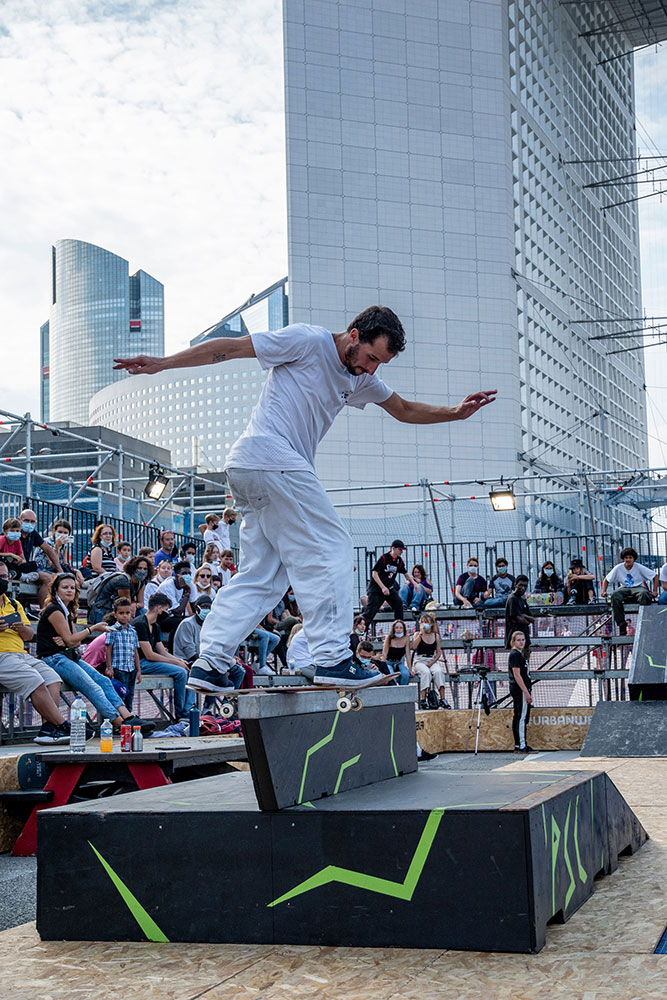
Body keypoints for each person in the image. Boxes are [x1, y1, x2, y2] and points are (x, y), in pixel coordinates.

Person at [115, 305, 495, 690]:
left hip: (252, 470)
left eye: (381, 363)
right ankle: (332, 657)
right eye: (371, 357)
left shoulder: (359, 378)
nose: (371, 369)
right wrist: (163, 363)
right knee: (331, 546)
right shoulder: (308, 341)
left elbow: (404, 409)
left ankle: (210, 662)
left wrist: (455, 412)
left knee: (265, 575)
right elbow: (232, 348)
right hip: (271, 457)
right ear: (353, 335)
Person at [36, 573, 154, 734]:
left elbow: (74, 641)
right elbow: (72, 640)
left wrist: (67, 640)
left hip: (68, 656)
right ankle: (120, 723)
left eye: (72, 587)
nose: (69, 590)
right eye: (65, 587)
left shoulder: (67, 611)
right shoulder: (54, 610)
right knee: (93, 687)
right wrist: (92, 629)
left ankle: (128, 717)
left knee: (103, 681)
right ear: (56, 590)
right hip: (54, 658)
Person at [0, 560, 69, 744]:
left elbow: (30, 635)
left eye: (5, 576)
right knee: (35, 679)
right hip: (1, 656)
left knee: (52, 677)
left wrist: (20, 628)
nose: (3, 580)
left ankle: (48, 729)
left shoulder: (13, 604)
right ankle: (62, 725)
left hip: (19, 654)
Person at [132, 593, 195, 718]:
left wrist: (180, 660)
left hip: (149, 662)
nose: (167, 613)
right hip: (140, 663)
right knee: (180, 672)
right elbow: (149, 655)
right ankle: (181, 713)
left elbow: (162, 651)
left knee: (189, 668)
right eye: (166, 610)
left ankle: (189, 709)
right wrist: (176, 663)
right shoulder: (140, 624)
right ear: (159, 608)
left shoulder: (155, 626)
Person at [601, 547, 657, 635]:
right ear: (623, 559)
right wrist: (603, 591)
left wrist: (654, 591)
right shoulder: (618, 568)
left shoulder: (638, 567)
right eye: (626, 558)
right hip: (625, 588)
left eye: (630, 558)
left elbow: (654, 576)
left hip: (638, 587)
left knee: (644, 593)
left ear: (633, 559)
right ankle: (622, 624)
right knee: (614, 595)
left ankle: (644, 621)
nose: (628, 560)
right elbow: (606, 580)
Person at [17, 509, 63, 604]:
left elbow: (48, 549)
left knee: (56, 579)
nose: (29, 523)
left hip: (25, 567)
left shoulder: (32, 533)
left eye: (32, 521)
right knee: (48, 577)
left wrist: (60, 570)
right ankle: (44, 612)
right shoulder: (12, 532)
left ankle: (47, 611)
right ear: (19, 520)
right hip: (11, 567)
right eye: (26, 520)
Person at [363, 541, 412, 626]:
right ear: (393, 548)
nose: (401, 552)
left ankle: (399, 627)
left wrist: (414, 584)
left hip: (388, 589)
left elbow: (405, 573)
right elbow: (374, 573)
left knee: (398, 603)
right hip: (377, 589)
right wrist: (382, 587)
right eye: (400, 549)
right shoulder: (384, 558)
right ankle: (358, 631)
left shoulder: (399, 561)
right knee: (370, 612)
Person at [105, 597, 141, 711]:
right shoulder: (112, 630)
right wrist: (109, 667)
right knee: (121, 695)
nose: (124, 616)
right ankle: (121, 721)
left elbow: (135, 651)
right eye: (121, 613)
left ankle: (129, 717)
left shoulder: (133, 631)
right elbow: (108, 649)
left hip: (131, 669)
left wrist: (138, 670)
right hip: (119, 668)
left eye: (127, 613)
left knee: (130, 695)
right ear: (115, 614)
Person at [411, 612, 450, 709]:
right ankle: (423, 699)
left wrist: (432, 662)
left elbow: (438, 652)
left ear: (431, 624)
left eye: (426, 622)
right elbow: (414, 646)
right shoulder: (417, 634)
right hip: (420, 660)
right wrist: (421, 634)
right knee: (426, 672)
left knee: (438, 671)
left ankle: (442, 698)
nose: (424, 624)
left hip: (431, 659)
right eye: (422, 622)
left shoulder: (435, 635)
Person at [508, 630, 536, 754]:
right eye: (518, 640)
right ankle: (521, 745)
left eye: (523, 639)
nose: (521, 642)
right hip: (519, 689)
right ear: (513, 641)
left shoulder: (520, 654)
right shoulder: (514, 654)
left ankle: (520, 744)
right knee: (521, 717)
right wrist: (526, 691)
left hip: (521, 688)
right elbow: (517, 675)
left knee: (520, 716)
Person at [504, 576, 535, 655]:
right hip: (515, 639)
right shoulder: (512, 599)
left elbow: (532, 619)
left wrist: (523, 615)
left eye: (525, 586)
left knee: (525, 663)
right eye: (520, 585)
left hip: (524, 638)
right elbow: (517, 618)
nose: (523, 588)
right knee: (517, 663)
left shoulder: (523, 600)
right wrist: (525, 619)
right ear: (515, 585)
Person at [381, 618, 412, 685]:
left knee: (405, 674)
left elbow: (408, 654)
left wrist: (410, 669)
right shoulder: (389, 637)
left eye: (401, 628)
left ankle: (403, 691)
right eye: (397, 628)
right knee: (392, 676)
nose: (399, 630)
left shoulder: (406, 638)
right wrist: (383, 668)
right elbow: (384, 653)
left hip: (399, 662)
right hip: (389, 662)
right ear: (393, 629)